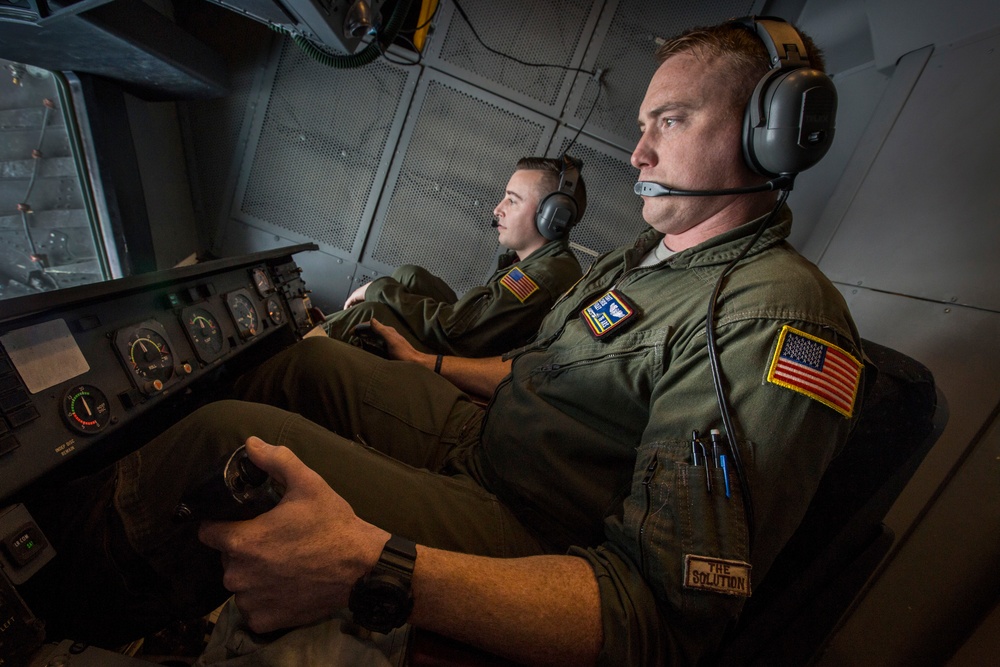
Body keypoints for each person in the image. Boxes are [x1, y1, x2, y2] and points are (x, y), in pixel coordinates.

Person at [26, 17, 864, 666]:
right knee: (304, 361)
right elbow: (547, 376)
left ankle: (51, 601)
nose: (638, 149)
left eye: (670, 120)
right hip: (490, 445)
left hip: (532, 526)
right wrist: (428, 364)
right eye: (643, 123)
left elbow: (657, 621)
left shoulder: (771, 318)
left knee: (219, 436)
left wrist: (373, 562)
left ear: (774, 134)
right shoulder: (650, 254)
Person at [322, 156, 585, 357]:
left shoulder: (543, 274)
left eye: (512, 200)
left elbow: (457, 333)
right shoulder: (534, 261)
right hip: (470, 341)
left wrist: (378, 290)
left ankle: (304, 346)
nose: (498, 209)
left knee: (372, 314)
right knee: (409, 275)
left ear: (551, 217)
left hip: (465, 363)